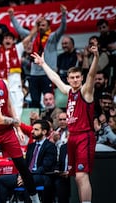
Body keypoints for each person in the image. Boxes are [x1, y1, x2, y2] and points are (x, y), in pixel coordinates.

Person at [31, 45, 99, 202]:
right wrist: (43, 64)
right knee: (76, 178)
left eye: (77, 77)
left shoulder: (85, 91)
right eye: (72, 77)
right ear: (68, 79)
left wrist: (95, 57)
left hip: (84, 136)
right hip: (72, 137)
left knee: (82, 176)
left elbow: (91, 75)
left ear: (81, 78)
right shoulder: (69, 92)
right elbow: (55, 78)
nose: (75, 80)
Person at [0, 63, 40, 203]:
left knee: (22, 166)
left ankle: (36, 199)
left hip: (6, 131)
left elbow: (9, 105)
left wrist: (17, 129)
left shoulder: (3, 83)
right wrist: (16, 123)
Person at [9, 5, 67, 108]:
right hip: (34, 74)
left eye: (43, 25)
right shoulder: (34, 37)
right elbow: (20, 30)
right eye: (39, 25)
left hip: (48, 74)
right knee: (35, 101)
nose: (41, 27)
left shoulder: (52, 37)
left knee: (49, 99)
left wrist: (63, 15)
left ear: (48, 27)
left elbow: (62, 28)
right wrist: (12, 17)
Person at [0, 119, 57, 203]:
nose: (32, 131)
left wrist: (27, 176)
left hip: (41, 175)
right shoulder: (31, 146)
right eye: (32, 129)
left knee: (28, 182)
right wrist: (22, 175)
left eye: (36, 129)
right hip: (27, 175)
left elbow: (45, 167)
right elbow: (25, 165)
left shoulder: (50, 146)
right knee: (1, 180)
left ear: (44, 131)